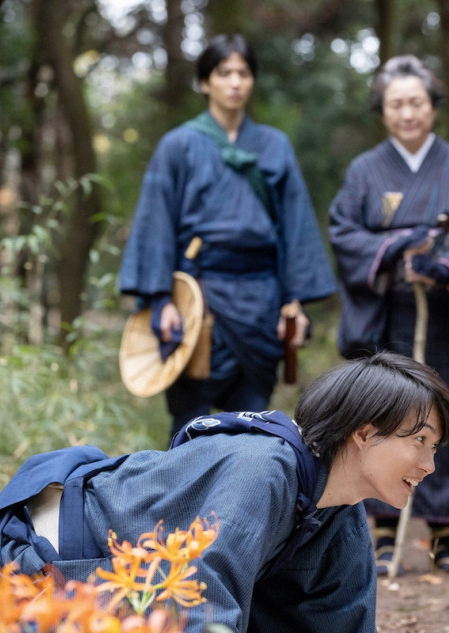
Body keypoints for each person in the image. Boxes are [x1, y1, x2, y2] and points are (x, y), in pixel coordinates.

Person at [0, 352, 449, 633]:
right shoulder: (261, 470)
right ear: (365, 433)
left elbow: (340, 622)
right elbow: (199, 603)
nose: (429, 465)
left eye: (435, 447)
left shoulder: (341, 510)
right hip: (41, 560)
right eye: (419, 441)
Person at [118, 34, 335, 439]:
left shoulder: (274, 146)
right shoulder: (178, 145)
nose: (235, 82)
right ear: (205, 83)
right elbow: (156, 224)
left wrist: (294, 303)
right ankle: (182, 503)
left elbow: (296, 229)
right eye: (224, 73)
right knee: (189, 425)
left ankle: (244, 502)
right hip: (196, 300)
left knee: (252, 430)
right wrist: (161, 300)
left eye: (243, 73)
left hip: (262, 302)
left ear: (252, 81)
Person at [328, 55, 449, 573]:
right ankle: (381, 531)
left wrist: (441, 264)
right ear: (383, 110)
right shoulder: (365, 170)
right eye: (396, 104)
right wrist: (398, 250)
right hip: (389, 319)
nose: (407, 113)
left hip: (445, 317)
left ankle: (443, 535)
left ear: (433, 107)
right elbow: (345, 231)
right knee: (384, 415)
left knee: (444, 416)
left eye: (416, 102)